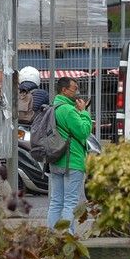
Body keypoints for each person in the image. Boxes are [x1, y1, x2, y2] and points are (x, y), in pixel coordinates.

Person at [47, 77, 92, 233]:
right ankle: (67, 236)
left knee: (56, 201)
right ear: (64, 90)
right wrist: (84, 113)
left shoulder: (54, 107)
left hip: (56, 159)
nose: (77, 92)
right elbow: (83, 131)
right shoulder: (68, 110)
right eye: (74, 89)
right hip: (71, 160)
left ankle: (52, 235)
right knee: (70, 202)